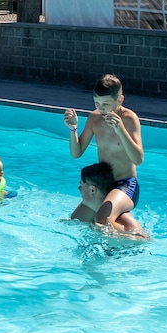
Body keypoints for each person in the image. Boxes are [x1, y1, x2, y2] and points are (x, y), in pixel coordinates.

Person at [64, 74, 144, 230]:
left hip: (125, 184)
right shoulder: (95, 118)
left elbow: (138, 159)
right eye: (97, 103)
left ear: (120, 100)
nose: (101, 108)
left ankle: (137, 238)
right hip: (103, 184)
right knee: (75, 222)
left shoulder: (129, 119)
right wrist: (73, 129)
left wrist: (120, 130)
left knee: (101, 220)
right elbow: (76, 153)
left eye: (106, 104)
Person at [72, 161, 144, 234]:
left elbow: (142, 237)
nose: (79, 188)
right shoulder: (93, 210)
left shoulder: (120, 218)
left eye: (81, 185)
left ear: (92, 190)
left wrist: (110, 232)